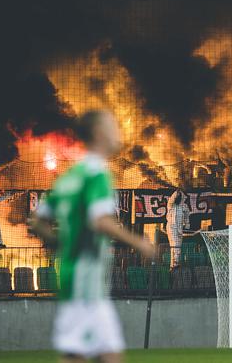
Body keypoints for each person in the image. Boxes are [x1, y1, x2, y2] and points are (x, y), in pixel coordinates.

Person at [29, 110, 155, 363]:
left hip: (75, 274)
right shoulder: (97, 175)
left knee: (102, 354)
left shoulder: (68, 177)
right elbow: (100, 221)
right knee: (84, 354)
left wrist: (62, 244)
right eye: (113, 125)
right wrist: (139, 243)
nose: (117, 131)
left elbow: (36, 222)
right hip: (84, 279)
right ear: (99, 133)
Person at [164, 189, 200, 270]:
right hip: (171, 227)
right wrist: (177, 192)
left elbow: (187, 216)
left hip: (179, 228)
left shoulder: (184, 206)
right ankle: (175, 264)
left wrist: (187, 225)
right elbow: (172, 199)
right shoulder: (171, 205)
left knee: (177, 246)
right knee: (175, 245)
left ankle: (173, 265)